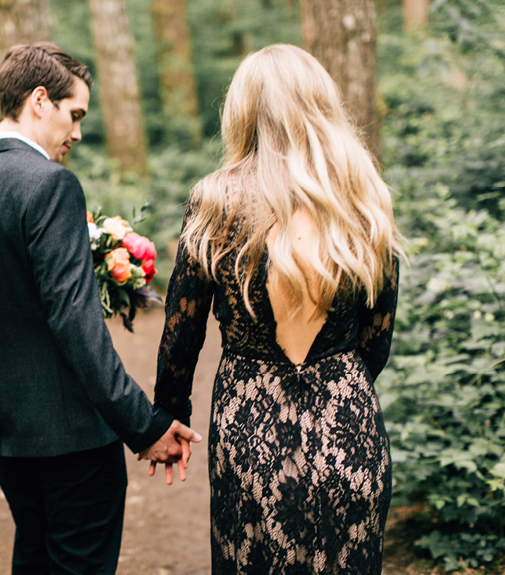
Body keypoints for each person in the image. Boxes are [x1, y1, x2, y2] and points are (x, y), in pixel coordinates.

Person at [0, 42, 201, 575]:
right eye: (75, 115)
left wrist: (16, 349)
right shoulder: (51, 186)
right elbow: (75, 324)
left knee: (34, 558)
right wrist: (143, 427)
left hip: (10, 435)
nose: (76, 133)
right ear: (40, 100)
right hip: (73, 437)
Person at [151, 44, 402, 575]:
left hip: (250, 423)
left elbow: (182, 332)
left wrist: (170, 414)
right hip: (346, 420)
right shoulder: (364, 197)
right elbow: (377, 340)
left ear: (241, 111)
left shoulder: (215, 199)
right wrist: (337, 378)